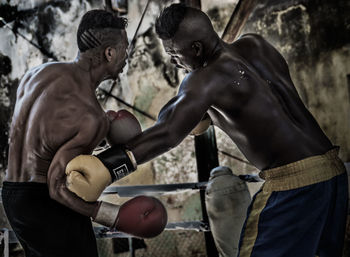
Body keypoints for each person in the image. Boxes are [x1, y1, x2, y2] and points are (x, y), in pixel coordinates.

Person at [66, 4, 348, 257]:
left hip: (296, 184)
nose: (174, 62)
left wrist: (104, 166)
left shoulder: (204, 80)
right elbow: (258, 103)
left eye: (175, 54)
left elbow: (167, 133)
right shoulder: (256, 45)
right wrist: (210, 112)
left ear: (197, 49)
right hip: (332, 172)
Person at [2, 9, 167, 257]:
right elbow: (57, 188)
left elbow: (44, 138)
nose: (126, 57)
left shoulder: (37, 74)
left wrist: (97, 145)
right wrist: (114, 216)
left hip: (12, 195)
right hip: (47, 202)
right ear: (109, 53)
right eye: (124, 48)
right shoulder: (91, 117)